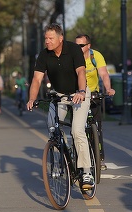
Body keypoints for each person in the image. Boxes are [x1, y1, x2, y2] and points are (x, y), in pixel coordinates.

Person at [26, 23, 94, 189]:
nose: (47, 41)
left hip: (79, 94)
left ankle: (86, 172)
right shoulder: (44, 55)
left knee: (77, 131)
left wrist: (81, 91)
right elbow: (36, 79)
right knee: (52, 127)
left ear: (60, 38)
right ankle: (65, 154)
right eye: (46, 38)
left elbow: (81, 72)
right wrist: (31, 99)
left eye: (51, 38)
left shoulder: (73, 50)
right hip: (60, 95)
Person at [75, 34, 115, 170]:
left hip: (93, 94)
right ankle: (77, 155)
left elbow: (103, 74)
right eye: (76, 45)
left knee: (96, 127)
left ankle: (100, 158)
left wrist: (108, 88)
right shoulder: (73, 57)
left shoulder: (95, 56)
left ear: (88, 46)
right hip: (78, 95)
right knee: (77, 128)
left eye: (81, 45)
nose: (78, 48)